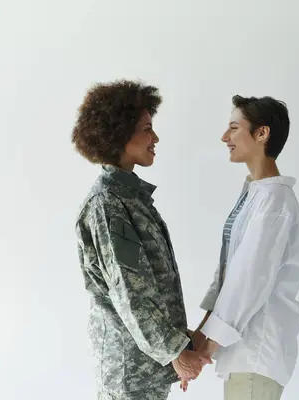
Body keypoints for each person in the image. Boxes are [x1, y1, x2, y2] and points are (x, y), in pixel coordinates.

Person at [72, 80, 211, 400]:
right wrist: (175, 351)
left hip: (143, 366)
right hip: (129, 372)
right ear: (120, 134)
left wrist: (178, 344)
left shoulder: (128, 199)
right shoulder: (110, 205)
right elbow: (130, 292)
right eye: (147, 128)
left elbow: (149, 285)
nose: (155, 138)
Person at [189, 95, 299, 400]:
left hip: (257, 351)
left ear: (262, 133)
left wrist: (206, 346)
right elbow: (229, 273)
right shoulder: (257, 194)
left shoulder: (274, 201)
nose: (224, 137)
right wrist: (201, 337)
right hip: (244, 354)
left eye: (233, 127)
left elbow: (249, 279)